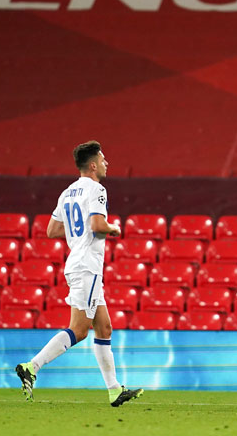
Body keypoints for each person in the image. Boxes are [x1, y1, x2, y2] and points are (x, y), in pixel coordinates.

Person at [16, 141, 143, 407]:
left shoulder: (67, 193)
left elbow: (51, 230)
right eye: (103, 159)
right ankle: (32, 366)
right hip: (87, 266)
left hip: (79, 264)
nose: (107, 163)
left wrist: (79, 232)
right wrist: (113, 228)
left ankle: (114, 390)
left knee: (104, 327)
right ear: (93, 165)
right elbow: (97, 225)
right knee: (80, 329)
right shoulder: (97, 189)